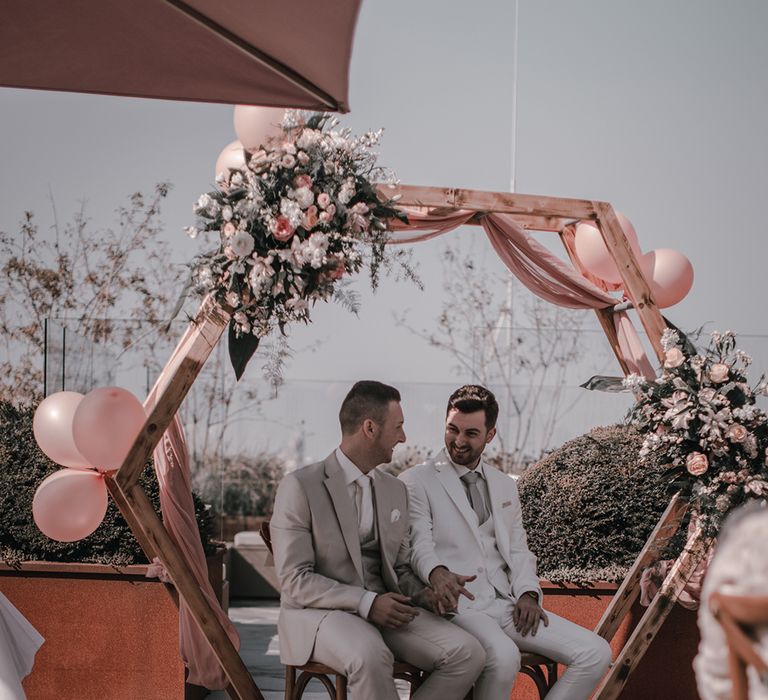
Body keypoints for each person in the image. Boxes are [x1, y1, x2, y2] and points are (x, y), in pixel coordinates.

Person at [270, 380, 485, 700]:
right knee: (370, 655)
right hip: (318, 615)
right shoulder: (300, 486)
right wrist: (366, 602)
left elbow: (398, 569)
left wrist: (428, 595)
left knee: (468, 653)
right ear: (369, 428)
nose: (403, 437)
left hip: (386, 610)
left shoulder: (394, 490)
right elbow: (294, 580)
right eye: (398, 427)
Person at [400, 384, 612, 700]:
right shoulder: (418, 480)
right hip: (460, 605)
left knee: (595, 652)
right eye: (452, 429)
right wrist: (438, 574)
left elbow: (517, 549)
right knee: (503, 657)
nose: (458, 441)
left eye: (471, 433)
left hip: (508, 604)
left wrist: (528, 593)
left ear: (490, 434)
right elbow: (420, 544)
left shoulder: (504, 486)